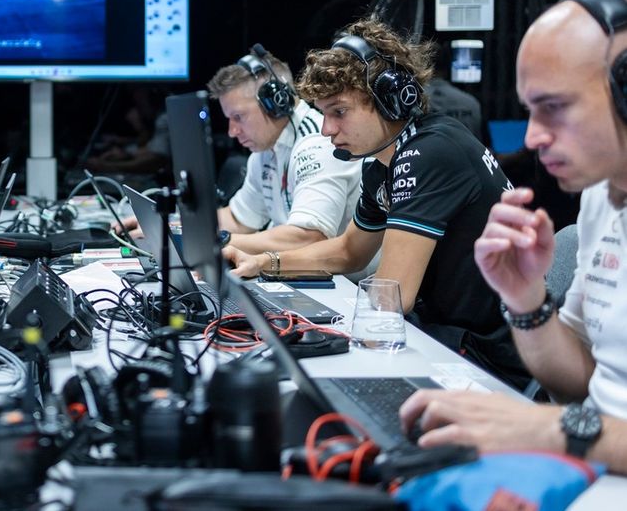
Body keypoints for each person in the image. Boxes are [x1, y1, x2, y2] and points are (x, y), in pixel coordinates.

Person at [399, 0, 627, 472]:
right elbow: (577, 385)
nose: (533, 136)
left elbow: (568, 415)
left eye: (555, 107)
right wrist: (525, 299)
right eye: (530, 110)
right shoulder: (601, 197)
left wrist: (548, 429)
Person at [225, 20, 526, 388]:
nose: (326, 129)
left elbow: (393, 296)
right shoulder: (382, 163)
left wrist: (313, 325)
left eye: (339, 112)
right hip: (446, 336)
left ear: (390, 99)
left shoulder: (430, 153)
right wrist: (264, 262)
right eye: (323, 113)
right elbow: (350, 251)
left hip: (486, 355)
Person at [209, 44, 362, 254]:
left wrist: (221, 241)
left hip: (342, 275)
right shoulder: (265, 152)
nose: (232, 131)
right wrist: (176, 225)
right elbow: (238, 220)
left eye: (238, 117)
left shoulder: (320, 144)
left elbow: (308, 238)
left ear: (276, 102)